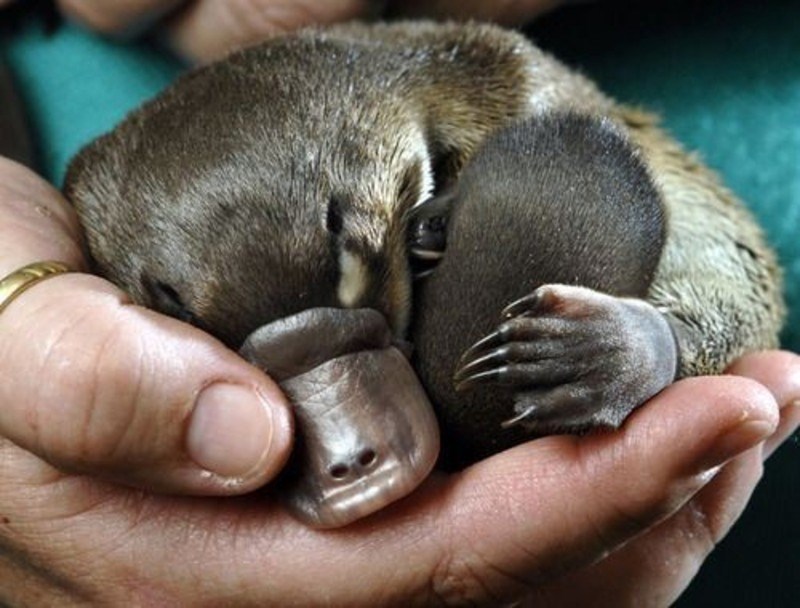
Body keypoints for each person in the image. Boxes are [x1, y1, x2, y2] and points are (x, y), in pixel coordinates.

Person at [1, 1, 798, 604]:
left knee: (668, 279)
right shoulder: (109, 202)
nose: (356, 465)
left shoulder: (472, 87)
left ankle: (650, 342)